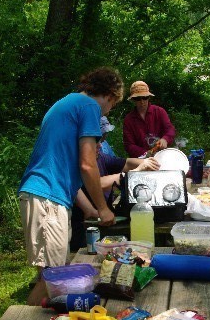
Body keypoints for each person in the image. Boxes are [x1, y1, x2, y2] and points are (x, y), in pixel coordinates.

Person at [18, 66, 123, 305]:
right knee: (54, 281)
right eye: (113, 105)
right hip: (48, 198)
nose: (108, 111)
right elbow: (88, 166)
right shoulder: (89, 107)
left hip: (48, 196)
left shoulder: (69, 102)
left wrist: (88, 209)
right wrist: (103, 208)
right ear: (109, 95)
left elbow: (67, 167)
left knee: (51, 274)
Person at [70, 117, 160, 250]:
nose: (101, 144)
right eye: (97, 141)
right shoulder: (79, 163)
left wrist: (148, 162)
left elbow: (126, 162)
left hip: (103, 218)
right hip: (84, 225)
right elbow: (95, 184)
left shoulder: (101, 157)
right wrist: (128, 175)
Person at [122, 80, 176, 157]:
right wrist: (147, 153)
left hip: (162, 155)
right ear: (133, 99)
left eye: (145, 97)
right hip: (141, 160)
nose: (142, 101)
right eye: (138, 98)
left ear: (148, 97)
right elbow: (129, 145)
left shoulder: (160, 111)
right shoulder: (129, 119)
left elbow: (170, 129)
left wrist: (165, 139)